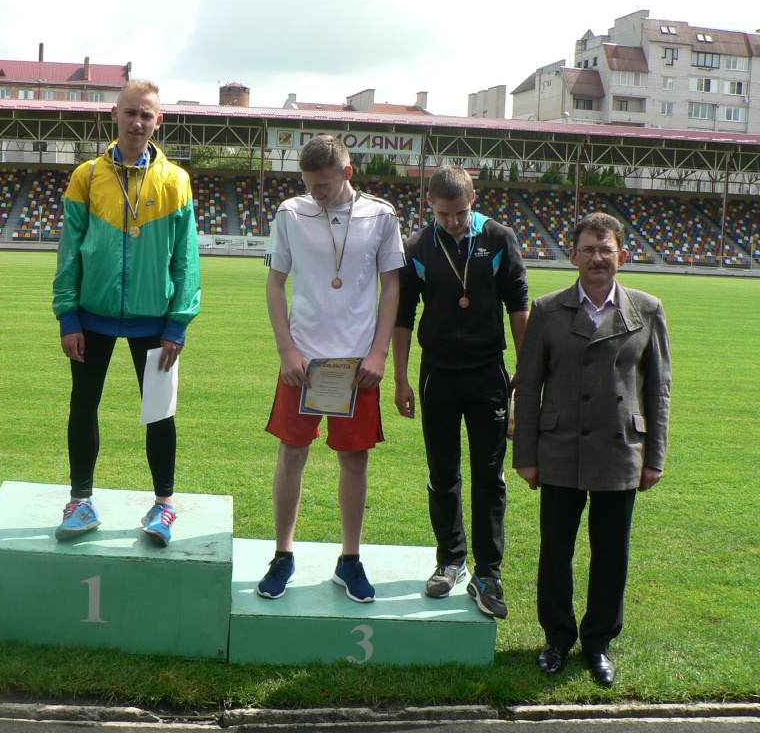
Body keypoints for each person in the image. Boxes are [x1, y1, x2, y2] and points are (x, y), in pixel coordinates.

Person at [512, 212, 671, 687]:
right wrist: (525, 455)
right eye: (588, 249)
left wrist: (655, 456)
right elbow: (528, 385)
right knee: (555, 551)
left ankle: (598, 642)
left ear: (623, 255)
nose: (597, 258)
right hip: (560, 448)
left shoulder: (647, 309)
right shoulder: (547, 309)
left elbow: (658, 388)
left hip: (620, 450)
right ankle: (557, 639)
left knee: (611, 553)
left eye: (606, 250)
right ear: (573, 255)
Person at [52, 79, 201, 546]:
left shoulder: (176, 181)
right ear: (115, 114)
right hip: (91, 315)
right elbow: (69, 251)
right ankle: (80, 500)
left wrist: (178, 322)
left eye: (146, 115)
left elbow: (186, 259)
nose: (137, 122)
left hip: (155, 319)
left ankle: (164, 505)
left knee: (159, 413)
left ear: (159, 121)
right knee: (83, 405)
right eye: (130, 112)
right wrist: (68, 316)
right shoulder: (87, 176)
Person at [256, 135, 404, 603]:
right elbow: (275, 284)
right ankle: (283, 554)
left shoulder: (381, 215)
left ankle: (350, 559)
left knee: (354, 459)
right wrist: (286, 351)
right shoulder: (290, 212)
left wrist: (379, 354)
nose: (315, 192)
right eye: (309, 184)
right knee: (291, 453)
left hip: (357, 364)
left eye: (323, 184)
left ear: (347, 173)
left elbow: (392, 287)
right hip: (302, 361)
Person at [392, 165, 528, 618]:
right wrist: (400, 378)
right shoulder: (416, 246)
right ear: (429, 204)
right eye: (443, 214)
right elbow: (403, 317)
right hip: (438, 374)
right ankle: (450, 560)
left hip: (488, 373)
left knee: (490, 476)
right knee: (442, 472)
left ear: (474, 199)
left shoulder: (499, 238)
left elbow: (519, 304)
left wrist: (526, 370)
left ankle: (488, 574)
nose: (452, 222)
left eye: (460, 213)